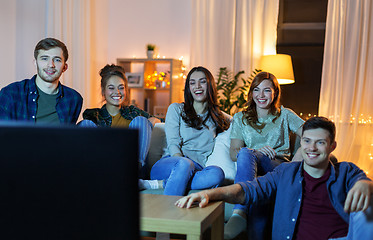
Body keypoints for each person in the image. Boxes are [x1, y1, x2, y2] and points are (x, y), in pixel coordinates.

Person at [176, 116, 373, 240]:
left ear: (332, 146)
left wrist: (367, 184)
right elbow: (247, 190)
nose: (311, 148)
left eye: (320, 142)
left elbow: (364, 185)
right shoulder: (286, 172)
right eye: (306, 141)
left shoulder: (347, 171)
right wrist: (209, 194)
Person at [225, 71, 304, 239]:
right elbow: (234, 153)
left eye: (267, 90)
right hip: (253, 166)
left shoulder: (285, 115)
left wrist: (295, 163)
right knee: (247, 157)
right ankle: (242, 216)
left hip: (278, 165)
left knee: (247, 154)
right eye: (256, 89)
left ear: (275, 93)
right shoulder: (241, 118)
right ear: (251, 92)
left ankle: (239, 212)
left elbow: (312, 134)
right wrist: (257, 152)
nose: (261, 95)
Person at [142, 66, 231, 196]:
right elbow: (173, 143)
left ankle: (159, 184)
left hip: (198, 170)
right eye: (192, 83)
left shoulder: (219, 117)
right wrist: (181, 163)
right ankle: (169, 212)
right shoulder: (177, 109)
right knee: (185, 163)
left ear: (210, 85)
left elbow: (240, 123)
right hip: (170, 164)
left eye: (202, 81)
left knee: (218, 174)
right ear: (188, 87)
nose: (197, 86)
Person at [80, 64, 160, 177]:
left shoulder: (133, 112)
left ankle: (134, 170)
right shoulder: (94, 115)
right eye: (111, 88)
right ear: (103, 91)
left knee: (142, 121)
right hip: (104, 165)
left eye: (121, 87)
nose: (117, 92)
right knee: (85, 124)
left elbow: (161, 121)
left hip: (131, 166)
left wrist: (153, 121)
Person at [0, 37, 83, 125]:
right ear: (35, 63)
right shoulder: (10, 93)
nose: (51, 65)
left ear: (65, 67)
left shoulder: (73, 99)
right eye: (44, 58)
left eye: (57, 60)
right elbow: (4, 135)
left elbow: (68, 136)